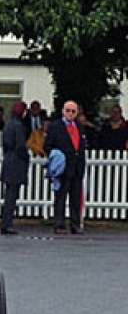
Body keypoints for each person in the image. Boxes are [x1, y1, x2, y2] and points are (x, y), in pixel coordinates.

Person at [44, 100, 87, 235]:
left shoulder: (80, 126)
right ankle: (59, 224)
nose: (70, 114)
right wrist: (57, 157)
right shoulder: (55, 127)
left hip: (76, 168)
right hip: (63, 168)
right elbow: (47, 146)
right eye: (68, 111)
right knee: (60, 198)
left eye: (73, 111)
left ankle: (75, 224)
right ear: (62, 111)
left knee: (76, 198)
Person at [0, 101, 30, 235]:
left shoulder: (7, 124)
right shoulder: (19, 126)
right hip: (16, 162)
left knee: (9, 194)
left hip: (8, 160)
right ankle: (7, 224)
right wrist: (26, 157)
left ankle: (6, 222)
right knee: (12, 195)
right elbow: (20, 146)